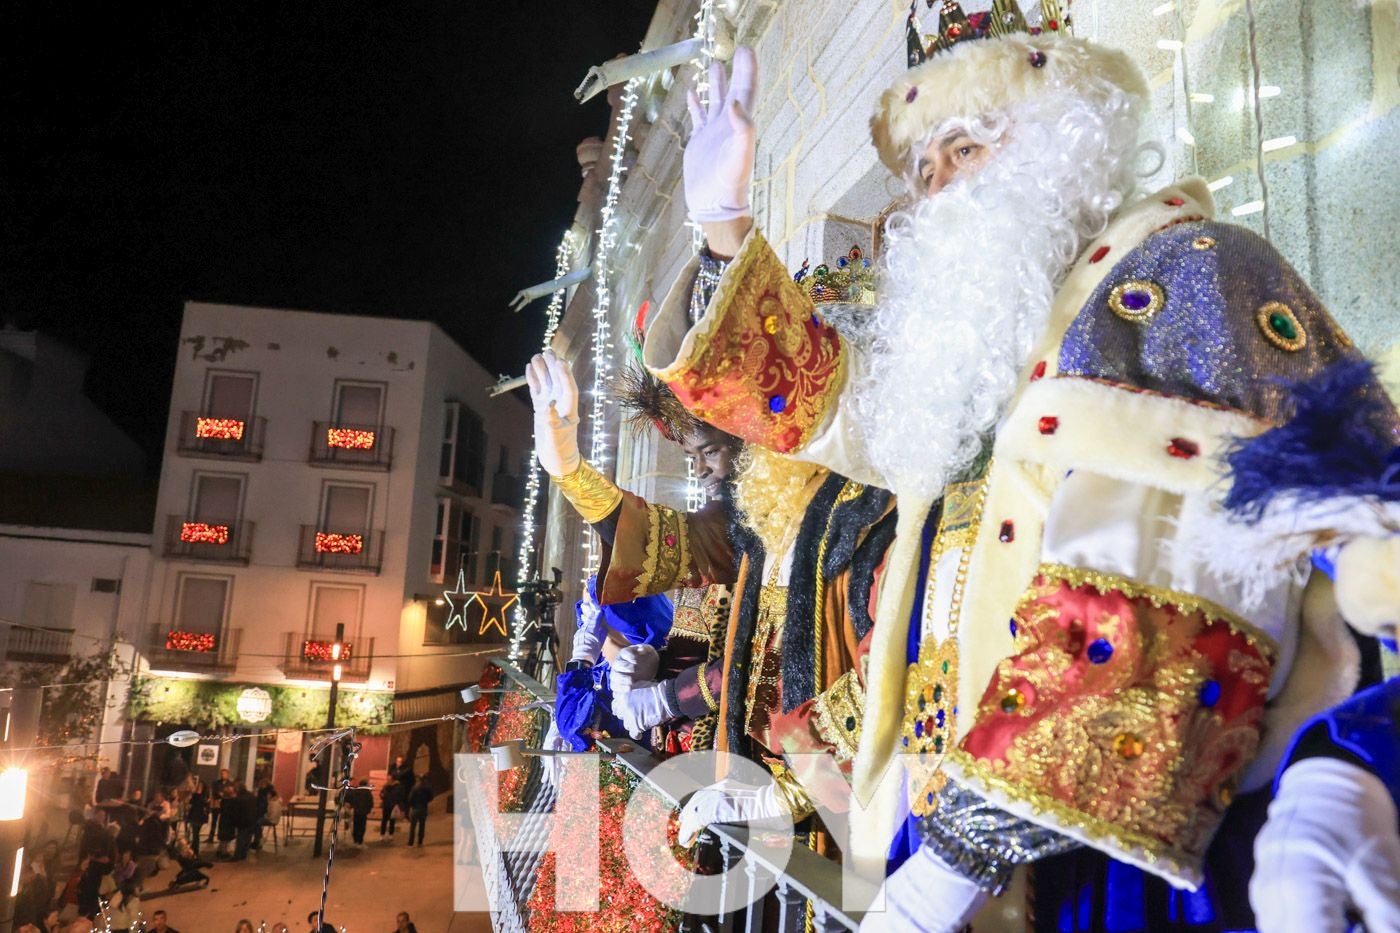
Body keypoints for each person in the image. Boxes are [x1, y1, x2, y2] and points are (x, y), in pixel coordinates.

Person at [648, 7, 1398, 928]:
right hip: (958, 818)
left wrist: (955, 861)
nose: (938, 189)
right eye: (921, 170)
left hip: (1102, 850)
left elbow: (1159, 607)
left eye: (963, 146)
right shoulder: (992, 350)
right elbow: (844, 413)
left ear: (1063, 148)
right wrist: (724, 232)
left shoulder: (1184, 274)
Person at [405, 776, 432, 847]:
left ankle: (410, 843)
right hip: (424, 808)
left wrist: (412, 805)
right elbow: (431, 797)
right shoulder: (427, 788)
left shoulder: (415, 788)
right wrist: (426, 801)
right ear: (425, 779)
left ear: (418, 779)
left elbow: (410, 798)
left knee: (413, 826)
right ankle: (420, 842)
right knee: (422, 826)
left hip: (415, 809)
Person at [185, 777, 208, 856]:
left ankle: (195, 849)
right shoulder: (196, 794)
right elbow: (191, 802)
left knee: (196, 833)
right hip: (194, 814)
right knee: (195, 833)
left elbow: (204, 803)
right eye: (199, 785)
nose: (199, 787)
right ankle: (194, 848)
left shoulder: (203, 795)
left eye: (201, 786)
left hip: (199, 815)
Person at [207, 768, 230, 843]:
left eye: (224, 774)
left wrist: (223, 795)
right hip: (217, 804)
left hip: (225, 804)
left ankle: (222, 837)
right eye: (222, 774)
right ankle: (211, 836)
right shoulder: (216, 783)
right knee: (214, 820)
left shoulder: (230, 783)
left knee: (223, 821)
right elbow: (214, 792)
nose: (223, 775)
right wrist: (220, 794)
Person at [348, 778, 374, 845]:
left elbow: (352, 800)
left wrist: (353, 807)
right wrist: (369, 810)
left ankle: (355, 840)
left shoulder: (355, 791)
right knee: (362, 826)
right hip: (363, 812)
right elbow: (370, 802)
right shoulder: (367, 792)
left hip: (356, 811)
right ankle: (360, 840)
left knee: (356, 825)